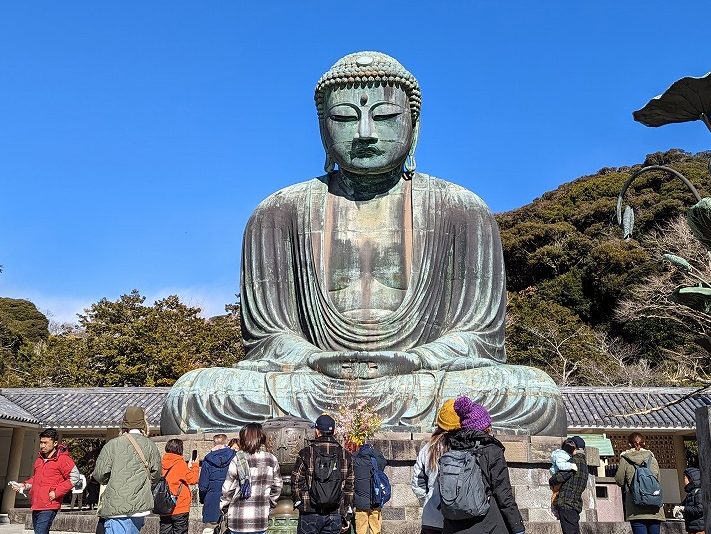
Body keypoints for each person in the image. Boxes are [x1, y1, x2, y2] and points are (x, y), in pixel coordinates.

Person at [161, 51, 566, 438]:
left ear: (414, 124)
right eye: (345, 118)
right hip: (314, 380)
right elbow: (267, 338)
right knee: (195, 394)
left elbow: (480, 337)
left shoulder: (462, 210)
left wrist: (417, 358)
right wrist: (310, 358)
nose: (366, 132)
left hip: (420, 377)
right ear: (323, 127)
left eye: (386, 116)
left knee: (534, 393)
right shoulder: (278, 212)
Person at [441, 397, 525, 534]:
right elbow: (504, 494)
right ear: (485, 426)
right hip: (487, 522)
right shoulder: (492, 451)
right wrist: (517, 527)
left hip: (453, 525)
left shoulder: (452, 450)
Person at [93, 406, 162, 534]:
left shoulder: (112, 444)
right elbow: (156, 473)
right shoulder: (150, 445)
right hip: (140, 505)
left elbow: (99, 474)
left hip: (116, 504)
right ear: (142, 422)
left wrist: (112, 478)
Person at [292, 414, 355, 534]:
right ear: (334, 431)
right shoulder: (345, 455)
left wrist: (299, 501)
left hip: (309, 510)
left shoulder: (306, 452)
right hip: (334, 511)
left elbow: (296, 480)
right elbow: (349, 487)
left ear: (317, 431)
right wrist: (345, 513)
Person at [220, 423, 283, 534]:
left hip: (238, 518)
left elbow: (227, 490)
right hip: (260, 518)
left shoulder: (238, 459)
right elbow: (277, 487)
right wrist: (269, 506)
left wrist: (225, 509)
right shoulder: (271, 459)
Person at [12, 428, 78, 534]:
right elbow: (36, 479)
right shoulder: (39, 459)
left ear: (55, 443)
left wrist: (56, 492)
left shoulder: (63, 459)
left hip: (49, 505)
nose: (42, 446)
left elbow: (74, 477)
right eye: (41, 442)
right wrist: (24, 486)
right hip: (36, 503)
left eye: (46, 443)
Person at [411, 399, 461, 534]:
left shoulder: (428, 448)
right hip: (459, 519)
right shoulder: (464, 449)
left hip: (431, 518)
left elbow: (417, 483)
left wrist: (430, 498)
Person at [615, 432, 665, 534]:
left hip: (635, 508)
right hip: (654, 506)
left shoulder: (625, 459)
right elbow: (658, 481)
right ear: (644, 443)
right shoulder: (652, 459)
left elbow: (619, 481)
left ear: (629, 444)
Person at [549, 437, 588, 534]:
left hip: (567, 502)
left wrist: (551, 479)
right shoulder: (583, 463)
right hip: (575, 502)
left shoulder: (572, 462)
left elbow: (559, 478)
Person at [160, 438, 200, 534]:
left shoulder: (161, 463)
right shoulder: (180, 463)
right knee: (180, 531)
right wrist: (195, 465)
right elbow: (193, 479)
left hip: (164, 506)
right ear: (180, 449)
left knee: (165, 530)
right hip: (179, 505)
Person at [199, 434, 236, 529]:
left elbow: (203, 486)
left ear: (214, 443)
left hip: (212, 500)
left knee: (210, 529)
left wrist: (204, 499)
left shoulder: (208, 459)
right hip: (231, 502)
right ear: (226, 442)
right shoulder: (235, 457)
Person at [352, 441, 387, 534]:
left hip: (360, 503)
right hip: (375, 501)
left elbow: (351, 457)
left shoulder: (356, 460)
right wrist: (375, 451)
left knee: (360, 530)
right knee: (376, 530)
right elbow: (384, 462)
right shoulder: (376, 461)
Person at [673, 467, 704, 534]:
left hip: (699, 530)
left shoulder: (698, 492)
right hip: (692, 529)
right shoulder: (690, 493)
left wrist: (684, 509)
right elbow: (684, 506)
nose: (683, 480)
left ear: (691, 479)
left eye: (685, 478)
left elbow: (700, 509)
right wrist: (679, 510)